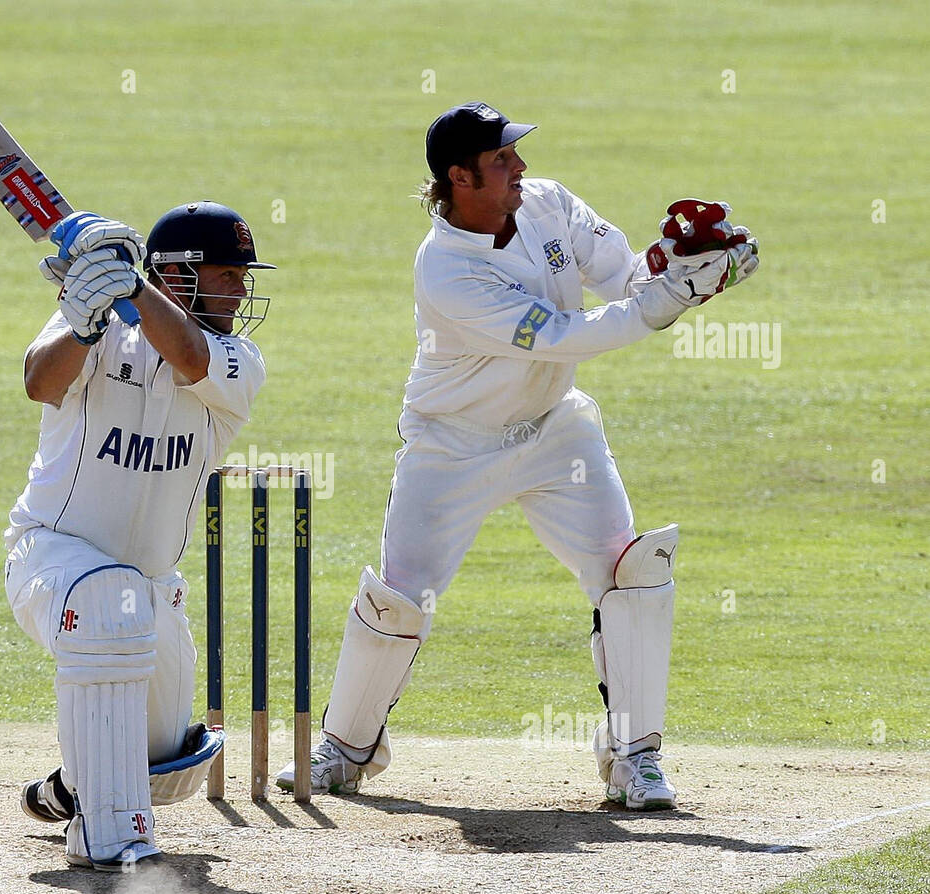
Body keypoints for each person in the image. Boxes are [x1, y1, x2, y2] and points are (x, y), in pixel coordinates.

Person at [278, 101, 758, 809]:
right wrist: (662, 305)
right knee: (399, 598)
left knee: (633, 570)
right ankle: (344, 751)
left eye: (514, 154)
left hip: (552, 429)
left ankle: (637, 758)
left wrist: (678, 272)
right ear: (459, 177)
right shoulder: (446, 270)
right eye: (502, 160)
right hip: (453, 444)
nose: (520, 168)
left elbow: (623, 281)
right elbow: (564, 334)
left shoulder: (547, 204)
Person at [6, 202, 274, 869]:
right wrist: (80, 321)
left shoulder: (238, 361)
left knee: (162, 758)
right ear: (179, 275)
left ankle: (75, 788)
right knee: (109, 600)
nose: (241, 288)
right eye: (228, 273)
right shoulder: (98, 328)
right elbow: (39, 380)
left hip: (151, 588)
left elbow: (184, 351)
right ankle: (109, 837)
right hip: (51, 556)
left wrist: (129, 287)